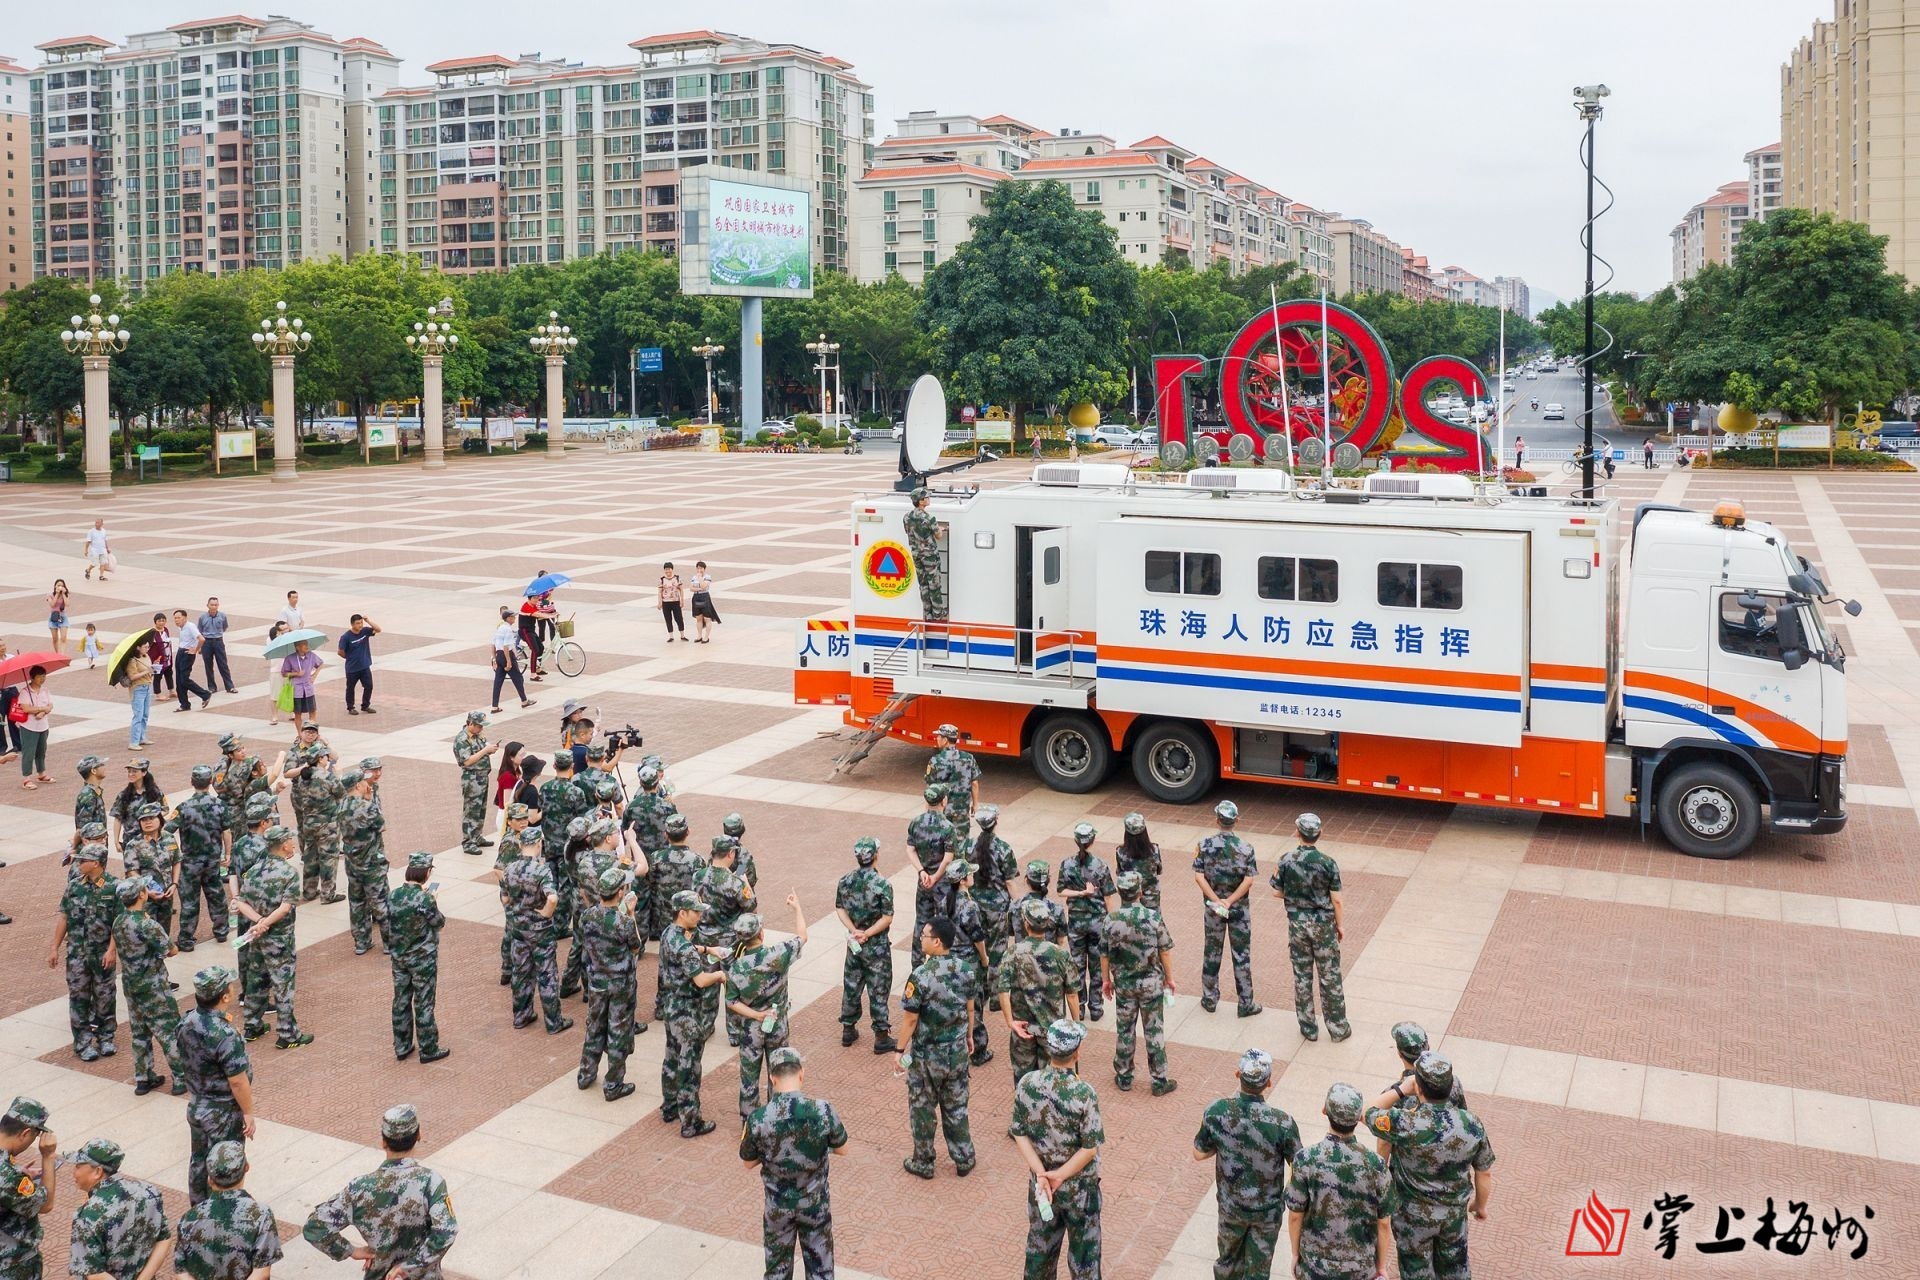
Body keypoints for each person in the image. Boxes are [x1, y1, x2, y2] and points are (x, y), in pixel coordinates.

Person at [1366, 1053, 1495, 1280]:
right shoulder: (1470, 1123)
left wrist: (1401, 1090)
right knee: (1455, 1269)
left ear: (1419, 1089)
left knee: (1416, 1271)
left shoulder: (1405, 1123)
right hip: (1453, 1216)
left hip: (1411, 1217)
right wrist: (1480, 1205)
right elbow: (1484, 1172)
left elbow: (1368, 1111)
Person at [303, 1105, 458, 1279]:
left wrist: (350, 1250)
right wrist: (410, 1266)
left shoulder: (359, 1188)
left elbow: (315, 1227)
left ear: (383, 1142)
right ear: (418, 1135)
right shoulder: (431, 1182)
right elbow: (446, 1232)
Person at [741, 1047, 848, 1280]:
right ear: (801, 1074)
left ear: (772, 1077)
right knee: (821, 1269)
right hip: (815, 1203)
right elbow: (842, 1148)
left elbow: (748, 1162)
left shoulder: (758, 1119)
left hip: (778, 1206)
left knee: (777, 1271)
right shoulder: (822, 1110)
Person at [1194, 1048, 1301, 1280]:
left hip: (1231, 1206)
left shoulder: (1217, 1112)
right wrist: (1287, 1195)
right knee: (1259, 1270)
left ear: (1237, 1075)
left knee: (1228, 1262)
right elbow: (1299, 1166)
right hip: (1267, 1211)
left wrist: (1224, 1144)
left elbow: (1199, 1153)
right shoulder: (1282, 1122)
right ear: (1269, 1082)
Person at [1011, 1019, 1104, 1280]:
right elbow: (1089, 1148)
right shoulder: (1084, 1093)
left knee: (1039, 1255)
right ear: (1076, 1053)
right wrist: (1060, 1175)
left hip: (1042, 1188)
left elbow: (1018, 1132)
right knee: (1085, 1260)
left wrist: (1041, 1173)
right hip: (1079, 1190)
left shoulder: (1028, 1083)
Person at [898, 915, 978, 1179]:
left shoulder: (921, 975)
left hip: (926, 1056)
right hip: (956, 1052)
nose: (921, 938)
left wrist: (899, 1051)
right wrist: (969, 1036)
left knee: (923, 1107)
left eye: (925, 935)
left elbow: (910, 1018)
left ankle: (923, 1161)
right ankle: (964, 1158)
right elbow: (969, 1007)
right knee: (956, 1106)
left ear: (938, 942)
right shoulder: (966, 969)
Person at [1289, 1084, 1395, 1280]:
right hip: (1360, 1268)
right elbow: (1383, 1222)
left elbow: (1296, 1215)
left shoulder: (1305, 1159)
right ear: (1358, 1119)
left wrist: (1296, 1254)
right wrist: (1381, 1267)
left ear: (1324, 1111)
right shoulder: (1376, 1165)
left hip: (1314, 1266)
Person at [175, 965, 256, 1205]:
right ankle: (222, 1215)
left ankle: (199, 1206)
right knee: (225, 1167)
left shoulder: (188, 1021)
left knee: (199, 1160)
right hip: (223, 1112)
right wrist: (248, 1113)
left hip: (198, 1105)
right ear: (225, 996)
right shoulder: (224, 1034)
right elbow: (238, 1082)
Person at [728, 895, 808, 1119]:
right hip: (778, 1024)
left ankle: (750, 1123)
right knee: (780, 1072)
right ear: (761, 934)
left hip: (751, 1028)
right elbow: (803, 936)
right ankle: (778, 1118)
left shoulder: (736, 968)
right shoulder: (778, 955)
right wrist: (797, 907)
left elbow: (732, 1002)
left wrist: (756, 1014)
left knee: (748, 1079)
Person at [1272, 812, 1349, 1042]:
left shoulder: (1286, 859)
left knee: (1302, 976)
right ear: (1319, 834)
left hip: (1297, 925)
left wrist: (1296, 897)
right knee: (1330, 976)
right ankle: (1337, 1028)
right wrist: (1340, 925)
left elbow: (1276, 891)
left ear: (1297, 832)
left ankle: (1308, 1028)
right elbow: (1337, 899)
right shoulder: (1328, 862)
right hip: (1324, 927)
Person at [659, 890, 729, 1138]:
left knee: (671, 1057)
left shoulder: (669, 933)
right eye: (696, 911)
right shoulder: (684, 946)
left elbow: (686, 948)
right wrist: (720, 975)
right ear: (682, 912)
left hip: (670, 1005)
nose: (700, 915)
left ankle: (669, 1106)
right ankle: (690, 1121)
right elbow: (700, 980)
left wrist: (708, 949)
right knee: (689, 1066)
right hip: (687, 1010)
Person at [237, 826, 313, 1050]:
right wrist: (266, 923)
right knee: (283, 985)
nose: (292, 843)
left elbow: (240, 902)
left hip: (257, 936)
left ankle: (252, 1025)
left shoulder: (253, 871)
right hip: (279, 938)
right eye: (290, 840)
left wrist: (258, 922)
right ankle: (288, 1034)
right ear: (283, 845)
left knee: (256, 980)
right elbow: (285, 907)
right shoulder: (288, 873)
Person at [1101, 871, 1177, 1096]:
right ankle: (1159, 1079)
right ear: (1140, 892)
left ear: (1121, 893)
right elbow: (1165, 950)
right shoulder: (1152, 917)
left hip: (1124, 985)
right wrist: (1170, 978)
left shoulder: (1111, 919)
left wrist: (1106, 980)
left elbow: (1104, 954)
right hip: (1151, 984)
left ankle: (1124, 1076)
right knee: (1154, 1031)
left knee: (1125, 1030)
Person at [578, 864, 649, 1099]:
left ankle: (586, 1073)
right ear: (619, 892)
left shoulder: (587, 916)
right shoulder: (624, 923)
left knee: (594, 1026)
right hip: (621, 984)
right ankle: (613, 1085)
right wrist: (630, 913)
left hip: (596, 981)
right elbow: (636, 945)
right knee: (618, 1032)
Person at [113, 878, 189, 1096]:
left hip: (131, 984)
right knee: (168, 1032)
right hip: (154, 985)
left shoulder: (118, 921)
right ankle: (180, 1078)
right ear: (142, 895)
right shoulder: (147, 924)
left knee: (139, 1032)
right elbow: (171, 950)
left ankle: (143, 1078)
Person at [997, 899, 1080, 1088]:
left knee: (1023, 1079)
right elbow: (1073, 994)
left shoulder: (1013, 953)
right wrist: (1075, 1025)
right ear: (1048, 924)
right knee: (1053, 1081)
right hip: (1053, 1029)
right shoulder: (1060, 954)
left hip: (1023, 1027)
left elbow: (1002, 990)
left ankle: (1025, 1114)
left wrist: (1010, 1021)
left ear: (1026, 924)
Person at [172, 1141, 282, 1280]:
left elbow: (181, 1271)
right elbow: (261, 1273)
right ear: (246, 1168)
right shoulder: (259, 1214)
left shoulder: (189, 1218)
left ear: (210, 1180)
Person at [50, 843, 120, 1061]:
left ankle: (106, 1037)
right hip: (77, 954)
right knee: (79, 997)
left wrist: (111, 950)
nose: (79, 864)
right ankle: (82, 1043)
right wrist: (55, 947)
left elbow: (118, 923)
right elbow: (64, 917)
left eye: (83, 860)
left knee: (105, 996)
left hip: (102, 954)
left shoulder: (114, 887)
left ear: (96, 863)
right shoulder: (74, 886)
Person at [66, 1137, 172, 1280]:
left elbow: (94, 1273)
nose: (74, 1171)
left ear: (98, 1171)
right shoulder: (148, 1191)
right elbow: (164, 1239)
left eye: (78, 1166)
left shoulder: (88, 1216)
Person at [501, 828, 573, 1035]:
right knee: (547, 974)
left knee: (521, 972)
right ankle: (553, 1021)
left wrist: (517, 911)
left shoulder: (510, 868)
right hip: (540, 931)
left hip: (518, 928)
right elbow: (552, 898)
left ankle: (521, 1016)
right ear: (539, 844)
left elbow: (505, 898)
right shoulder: (542, 870)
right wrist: (545, 914)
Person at [1193, 799, 1261, 1017]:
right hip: (1239, 910)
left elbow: (1199, 876)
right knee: (1241, 955)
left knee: (1212, 952)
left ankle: (1209, 998)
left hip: (1213, 910)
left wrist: (1216, 900)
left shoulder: (1204, 845)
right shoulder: (1246, 848)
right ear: (1236, 820)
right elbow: (1249, 880)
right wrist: (1230, 901)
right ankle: (1246, 1003)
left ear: (1217, 820)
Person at [835, 836, 897, 1052]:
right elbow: (887, 917)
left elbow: (840, 908)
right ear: (875, 856)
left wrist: (854, 930)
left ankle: (848, 1029)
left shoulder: (845, 880)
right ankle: (881, 1037)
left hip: (855, 944)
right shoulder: (882, 884)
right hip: (876, 945)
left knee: (852, 985)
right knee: (878, 988)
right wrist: (867, 933)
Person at [388, 852, 449, 1063]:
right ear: (427, 872)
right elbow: (439, 923)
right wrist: (433, 901)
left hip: (399, 957)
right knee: (424, 1002)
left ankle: (402, 1046)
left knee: (401, 1000)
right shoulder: (424, 898)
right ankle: (428, 1048)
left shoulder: (393, 895)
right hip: (422, 959)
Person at [1058, 822, 1116, 1022]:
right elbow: (1108, 897)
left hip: (1076, 923)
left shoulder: (1066, 864)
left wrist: (1079, 893)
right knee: (1098, 966)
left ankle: (1080, 1007)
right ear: (1092, 841)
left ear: (1076, 841)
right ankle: (1097, 1007)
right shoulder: (1100, 865)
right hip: (1098, 923)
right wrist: (1111, 921)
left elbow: (1060, 891)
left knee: (1077, 966)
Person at [171, 764, 232, 950]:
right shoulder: (220, 805)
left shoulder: (183, 807)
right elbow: (227, 831)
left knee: (189, 901)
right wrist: (227, 853)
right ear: (211, 782)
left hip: (190, 863)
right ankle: (221, 931)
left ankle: (186, 939)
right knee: (216, 896)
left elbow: (166, 831)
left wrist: (175, 855)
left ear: (192, 782)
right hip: (213, 861)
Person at [0, 1096, 59, 1280]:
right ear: (25, 1133)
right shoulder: (8, 1177)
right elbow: (46, 1204)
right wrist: (48, 1156)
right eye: (34, 1138)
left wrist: (18, 1174)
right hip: (11, 1265)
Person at [337, 768, 390, 955]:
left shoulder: (341, 805)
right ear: (358, 785)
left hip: (352, 862)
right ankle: (389, 943)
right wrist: (369, 801)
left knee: (357, 903)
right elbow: (382, 826)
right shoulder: (367, 807)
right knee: (380, 901)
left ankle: (361, 942)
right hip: (371, 863)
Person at [287, 733, 345, 904]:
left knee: (310, 857)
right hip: (327, 825)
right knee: (328, 858)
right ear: (320, 759)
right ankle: (328, 894)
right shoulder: (326, 777)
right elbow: (341, 794)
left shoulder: (304, 776)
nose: (327, 758)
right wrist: (339, 776)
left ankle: (309, 890)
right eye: (325, 756)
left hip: (308, 823)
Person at [906, 785, 958, 962]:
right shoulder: (947, 827)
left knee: (921, 921)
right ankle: (942, 961)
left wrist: (922, 872)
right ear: (944, 801)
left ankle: (917, 963)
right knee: (943, 924)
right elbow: (948, 857)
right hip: (942, 883)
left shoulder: (916, 822)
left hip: (924, 881)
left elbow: (910, 849)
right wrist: (936, 876)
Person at [121, 802, 180, 940]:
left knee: (164, 934)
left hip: (166, 895)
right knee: (147, 934)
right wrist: (147, 891)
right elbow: (132, 872)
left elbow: (177, 861)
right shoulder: (133, 845)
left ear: (160, 819)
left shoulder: (169, 838)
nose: (147, 822)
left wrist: (174, 884)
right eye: (143, 820)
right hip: (145, 898)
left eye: (151, 818)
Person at [1384, 1023, 1468, 1117]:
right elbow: (1462, 1113)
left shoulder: (1393, 1094)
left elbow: (1371, 1115)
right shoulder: (1451, 1080)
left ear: (1399, 1053)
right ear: (1428, 1048)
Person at [454, 711, 499, 856]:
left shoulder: (477, 735)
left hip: (482, 776)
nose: (481, 729)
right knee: (471, 811)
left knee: (481, 809)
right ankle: (468, 842)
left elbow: (480, 751)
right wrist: (485, 750)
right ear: (470, 724)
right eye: (479, 726)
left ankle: (477, 836)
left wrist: (489, 750)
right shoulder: (462, 739)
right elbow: (466, 761)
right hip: (472, 778)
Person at [903, 487, 946, 621]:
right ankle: (938, 614)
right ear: (920, 501)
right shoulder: (929, 518)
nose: (928, 499)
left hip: (916, 555)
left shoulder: (907, 517)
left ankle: (927, 613)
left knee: (923, 584)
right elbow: (938, 536)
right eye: (926, 497)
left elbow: (908, 532)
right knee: (934, 584)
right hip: (930, 557)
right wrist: (940, 529)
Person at [110, 759, 166, 851]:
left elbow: (165, 809)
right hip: (130, 841)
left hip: (151, 839)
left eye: (134, 771)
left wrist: (151, 818)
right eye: (129, 771)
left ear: (144, 772)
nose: (131, 774)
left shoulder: (155, 792)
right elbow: (118, 818)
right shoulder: (123, 795)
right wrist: (116, 841)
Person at [15, 666, 54, 788]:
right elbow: (26, 708)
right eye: (40, 677)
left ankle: (41, 773)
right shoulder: (25, 692)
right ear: (32, 677)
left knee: (41, 751)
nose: (43, 679)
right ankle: (26, 778)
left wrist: (42, 712)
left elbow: (50, 706)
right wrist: (41, 709)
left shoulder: (45, 690)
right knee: (28, 752)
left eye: (44, 676)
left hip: (43, 726)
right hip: (29, 727)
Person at [490, 606, 535, 710]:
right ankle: (524, 701)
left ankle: (494, 706)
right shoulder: (508, 630)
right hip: (507, 655)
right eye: (513, 617)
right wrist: (509, 662)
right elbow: (506, 647)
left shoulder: (500, 628)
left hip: (499, 655)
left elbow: (492, 644)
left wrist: (494, 659)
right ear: (508, 618)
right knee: (518, 678)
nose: (515, 618)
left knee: (498, 682)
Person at [172, 608, 215, 712]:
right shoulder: (181, 628)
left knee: (184, 679)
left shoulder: (190, 626)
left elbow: (201, 639)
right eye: (175, 618)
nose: (177, 620)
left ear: (185, 618)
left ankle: (205, 694)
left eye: (179, 618)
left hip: (187, 654)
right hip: (180, 652)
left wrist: (195, 650)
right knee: (179, 680)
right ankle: (184, 704)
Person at [1016, 860, 1068, 945]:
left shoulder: (1015, 906)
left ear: (1026, 880)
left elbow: (1011, 932)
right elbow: (1060, 941)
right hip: (1049, 956)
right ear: (1048, 881)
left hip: (1021, 956)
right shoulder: (1057, 909)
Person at [337, 613, 380, 716]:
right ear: (352, 624)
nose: (360, 625)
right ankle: (351, 707)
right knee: (350, 688)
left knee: (369, 686)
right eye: (357, 623)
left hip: (365, 666)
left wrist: (368, 621)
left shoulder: (365, 631)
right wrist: (349, 657)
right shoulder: (346, 637)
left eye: (361, 623)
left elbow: (378, 629)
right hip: (352, 668)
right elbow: (340, 651)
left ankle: (365, 705)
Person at [277, 636, 322, 732]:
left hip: (308, 689)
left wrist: (314, 675)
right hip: (297, 690)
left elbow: (321, 663)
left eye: (307, 644)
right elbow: (284, 673)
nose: (306, 646)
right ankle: (300, 734)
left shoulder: (311, 655)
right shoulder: (290, 658)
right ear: (297, 647)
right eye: (304, 644)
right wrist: (296, 674)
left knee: (312, 711)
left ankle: (312, 731)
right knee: (298, 713)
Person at [196, 597, 238, 694]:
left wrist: (217, 634)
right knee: (208, 665)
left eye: (216, 605)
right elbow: (200, 630)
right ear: (208, 605)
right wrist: (201, 646)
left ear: (218, 605)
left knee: (223, 665)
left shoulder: (222, 616)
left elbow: (224, 627)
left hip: (218, 641)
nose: (214, 607)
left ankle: (229, 686)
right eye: (212, 605)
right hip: (206, 642)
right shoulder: (202, 617)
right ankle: (211, 687)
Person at [122, 635, 153, 750]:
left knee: (145, 714)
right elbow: (132, 676)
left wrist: (152, 669)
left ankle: (142, 737)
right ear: (138, 648)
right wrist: (146, 671)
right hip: (138, 688)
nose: (147, 649)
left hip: (148, 686)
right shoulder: (132, 660)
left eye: (148, 647)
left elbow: (149, 669)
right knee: (138, 715)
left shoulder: (146, 656)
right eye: (145, 647)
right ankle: (134, 742)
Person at [491, 740, 524, 840]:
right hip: (507, 816)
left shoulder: (516, 770)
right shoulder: (508, 776)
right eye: (521, 755)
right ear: (511, 757)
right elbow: (507, 803)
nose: (523, 758)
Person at [519, 591, 556, 677]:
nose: (537, 600)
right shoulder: (526, 607)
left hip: (531, 631)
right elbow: (538, 614)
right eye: (534, 598)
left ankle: (538, 668)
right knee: (535, 650)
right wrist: (551, 616)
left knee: (541, 647)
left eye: (537, 598)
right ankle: (533, 674)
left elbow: (541, 612)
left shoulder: (534, 605)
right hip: (525, 632)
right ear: (529, 598)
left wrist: (552, 612)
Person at [690, 560, 721, 642]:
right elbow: (691, 588)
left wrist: (700, 578)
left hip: (705, 597)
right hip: (696, 597)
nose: (699, 570)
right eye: (697, 568)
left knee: (707, 618)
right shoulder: (694, 577)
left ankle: (706, 637)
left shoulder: (707, 577)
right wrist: (699, 588)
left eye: (701, 568)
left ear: (704, 568)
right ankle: (699, 636)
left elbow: (704, 586)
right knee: (698, 618)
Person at [262, 622, 287, 725]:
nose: (284, 631)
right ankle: (274, 716)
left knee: (291, 693)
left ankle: (294, 713)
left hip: (288, 670)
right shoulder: (270, 640)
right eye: (281, 630)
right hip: (276, 670)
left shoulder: (287, 640)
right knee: (274, 695)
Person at [658, 561, 688, 641]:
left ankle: (682, 635)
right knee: (668, 619)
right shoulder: (662, 579)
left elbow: (681, 590)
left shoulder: (677, 578)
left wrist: (682, 600)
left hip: (676, 601)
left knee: (679, 618)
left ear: (672, 569)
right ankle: (671, 636)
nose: (667, 571)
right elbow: (659, 592)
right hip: (666, 602)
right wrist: (660, 602)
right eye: (666, 569)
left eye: (669, 569)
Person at [147, 614, 175, 701]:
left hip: (167, 657)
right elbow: (148, 646)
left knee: (169, 674)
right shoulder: (152, 632)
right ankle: (158, 694)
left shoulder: (166, 630)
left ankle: (172, 691)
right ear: (155, 622)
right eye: (159, 621)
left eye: (163, 620)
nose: (161, 623)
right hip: (158, 659)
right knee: (158, 676)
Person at [47, 578, 72, 656]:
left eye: (62, 585)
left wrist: (64, 594)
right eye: (58, 585)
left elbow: (67, 604)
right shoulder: (50, 595)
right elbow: (52, 604)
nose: (60, 587)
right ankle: (57, 653)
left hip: (62, 617)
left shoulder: (66, 594)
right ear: (55, 586)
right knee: (55, 638)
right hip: (53, 617)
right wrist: (57, 594)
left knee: (63, 637)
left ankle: (62, 654)